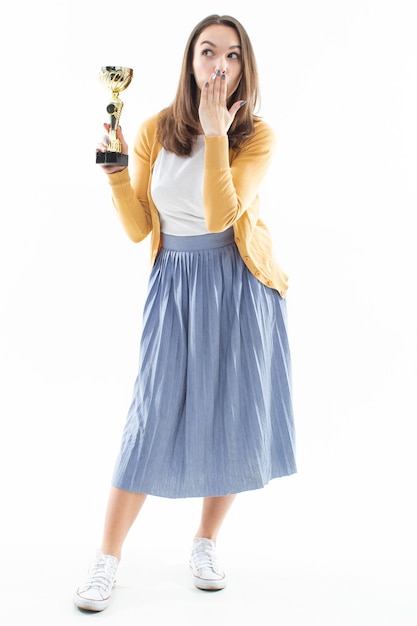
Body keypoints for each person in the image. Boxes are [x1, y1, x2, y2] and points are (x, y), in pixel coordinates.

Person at [73, 14, 296, 612]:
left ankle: (205, 540)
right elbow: (142, 228)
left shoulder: (256, 136)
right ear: (190, 61)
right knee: (150, 414)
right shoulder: (152, 130)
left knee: (227, 409)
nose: (218, 65)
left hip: (239, 282)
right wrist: (118, 177)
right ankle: (106, 557)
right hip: (175, 284)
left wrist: (219, 133)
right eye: (207, 52)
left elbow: (222, 216)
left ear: (244, 67)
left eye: (231, 55)